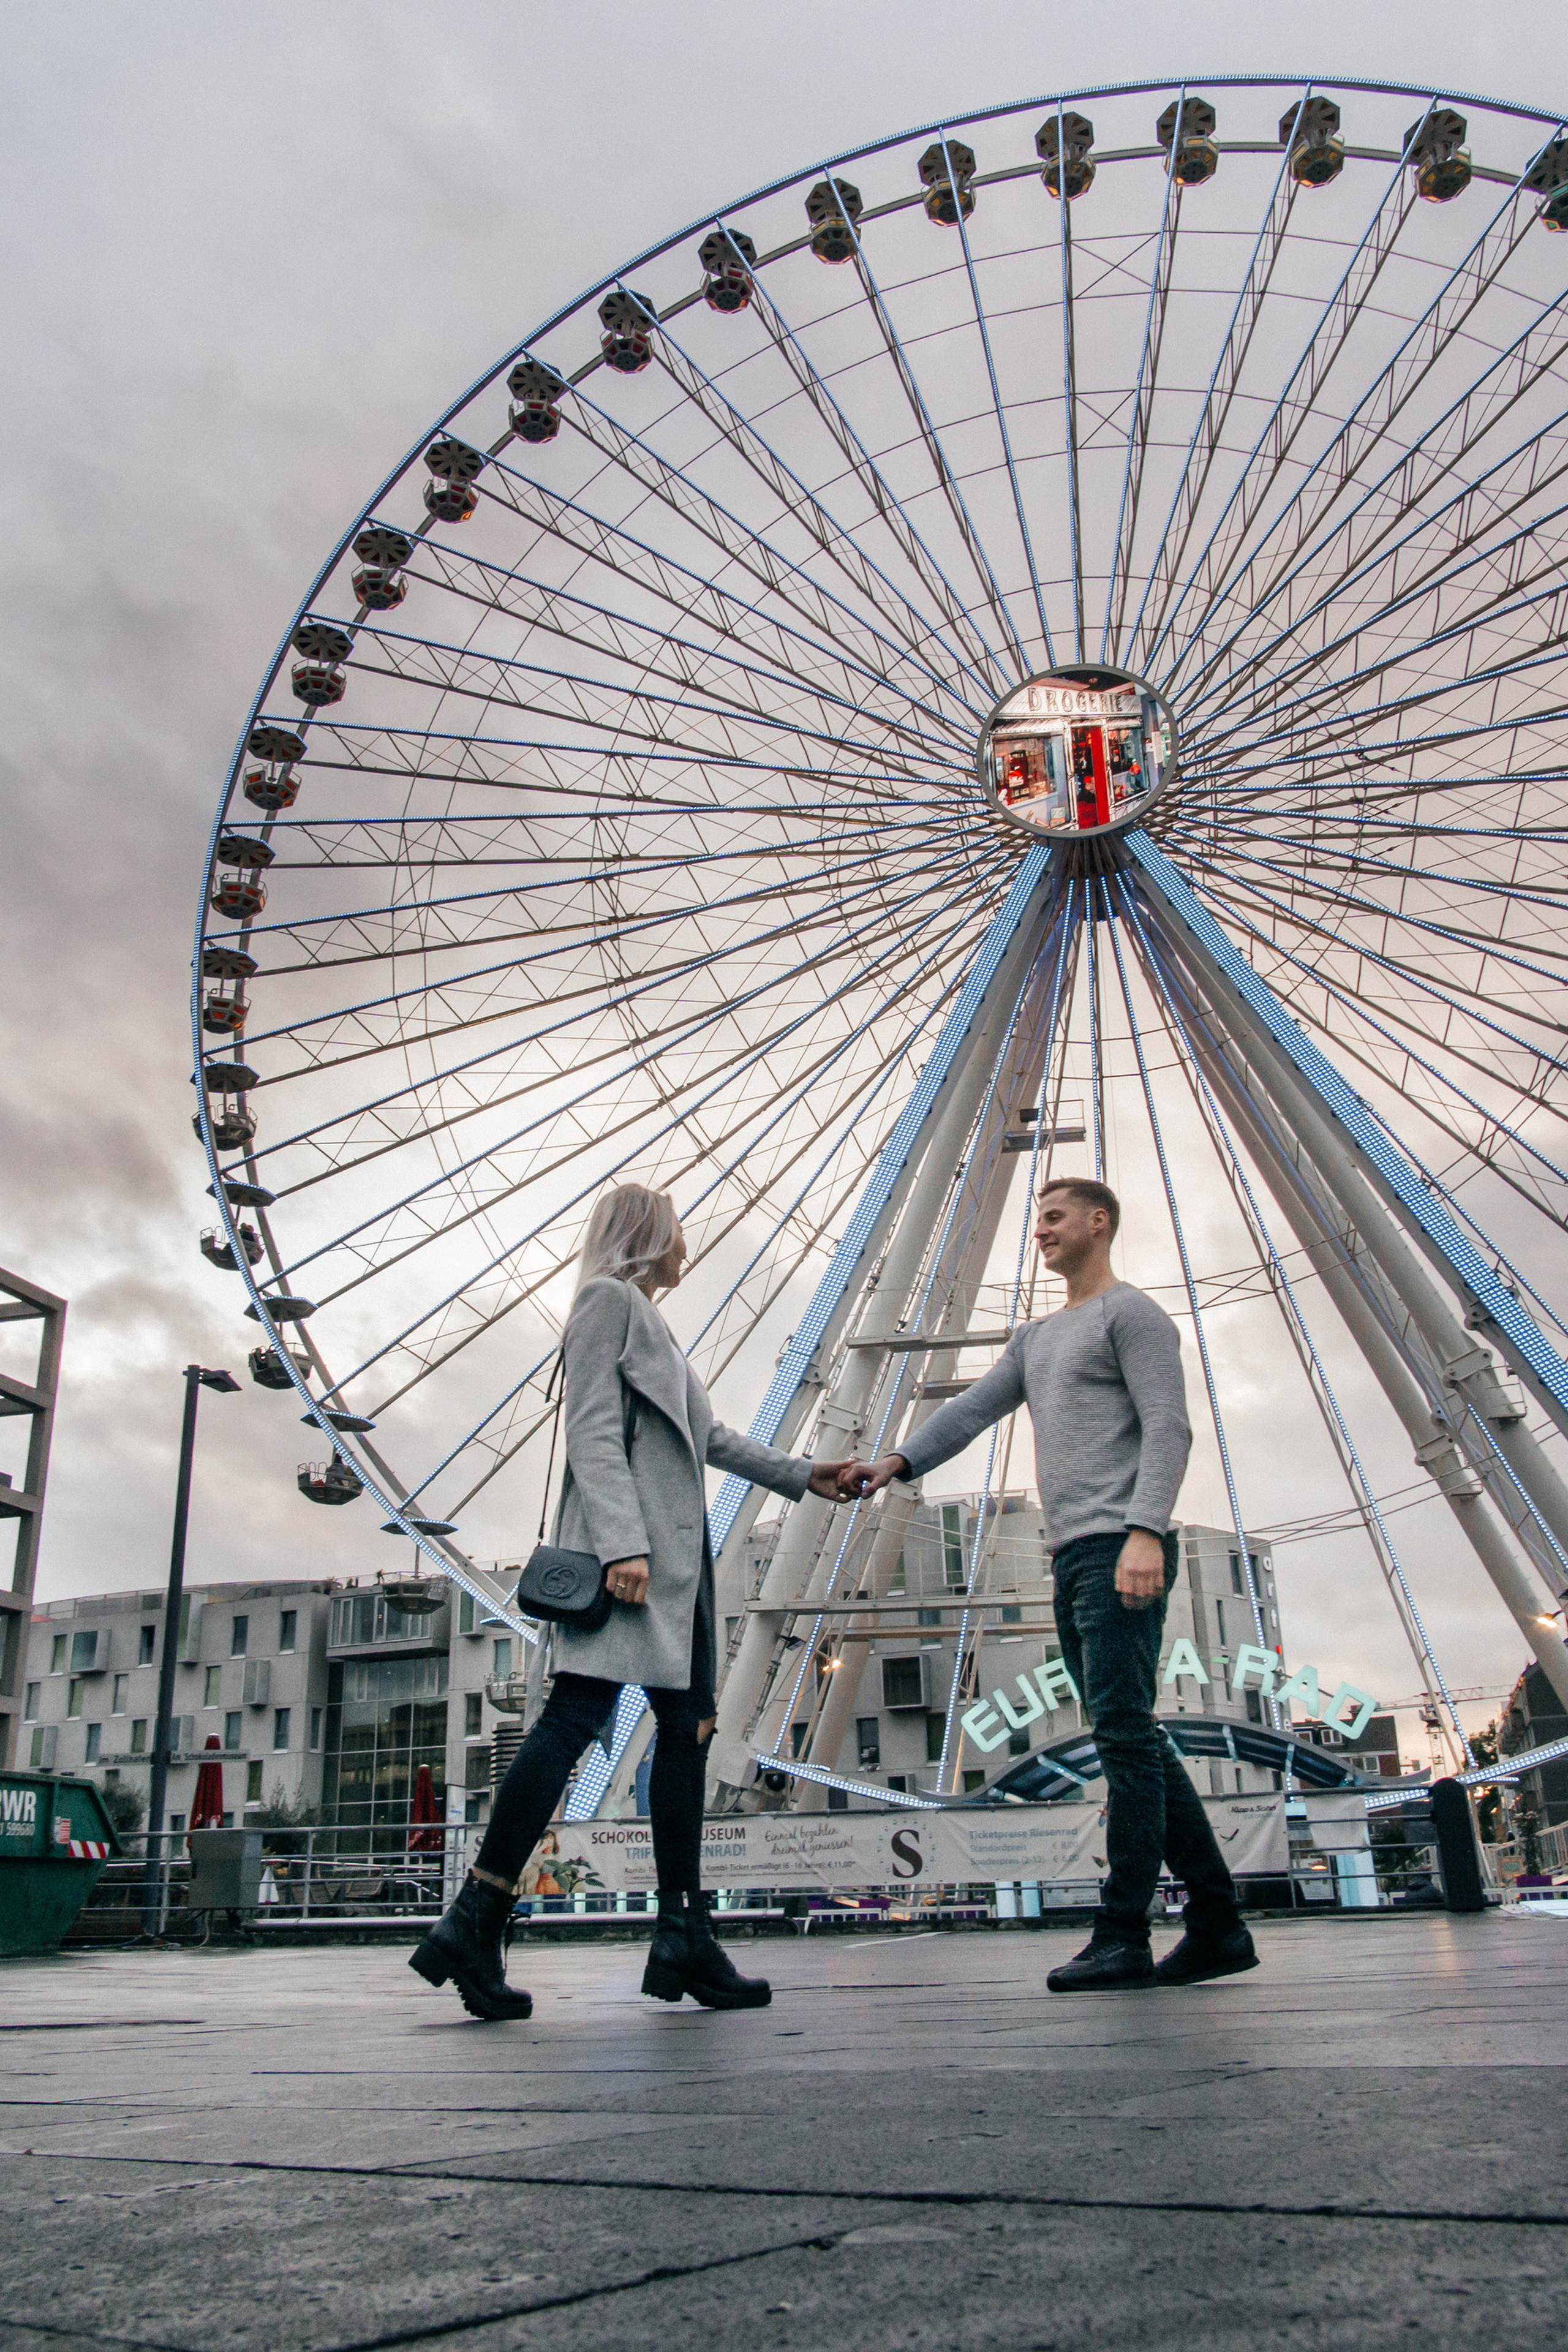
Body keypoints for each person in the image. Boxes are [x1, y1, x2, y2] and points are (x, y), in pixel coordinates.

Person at [411, 1182, 856, 2021]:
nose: (688, 1245)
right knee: (571, 1725)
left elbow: (709, 1440)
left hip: (679, 1579)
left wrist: (805, 1476)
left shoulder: (650, 1325)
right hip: (635, 1569)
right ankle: (477, 1918)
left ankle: (682, 1932)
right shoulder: (605, 1302)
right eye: (680, 1230)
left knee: (686, 1739)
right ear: (652, 1235)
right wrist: (622, 1544)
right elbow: (589, 1430)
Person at [848, 1177, 1257, 1992]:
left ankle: (1124, 1932)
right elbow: (971, 1409)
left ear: (1099, 1222)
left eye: (1054, 1216)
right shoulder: (1036, 1338)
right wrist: (897, 1461)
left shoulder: (1131, 1315)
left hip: (1119, 1545)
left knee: (1122, 1736)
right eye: (1037, 1217)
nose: (1039, 1230)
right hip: (1072, 1552)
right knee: (1130, 1731)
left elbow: (1169, 1427)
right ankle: (1216, 1925)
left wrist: (1146, 1530)